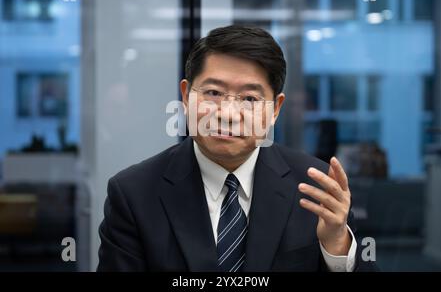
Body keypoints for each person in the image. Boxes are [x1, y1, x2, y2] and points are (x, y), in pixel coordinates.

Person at [97, 25, 376, 272]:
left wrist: (336, 246)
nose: (228, 113)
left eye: (250, 99)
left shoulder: (315, 186)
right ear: (185, 95)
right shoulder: (134, 193)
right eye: (213, 93)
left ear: (275, 109)